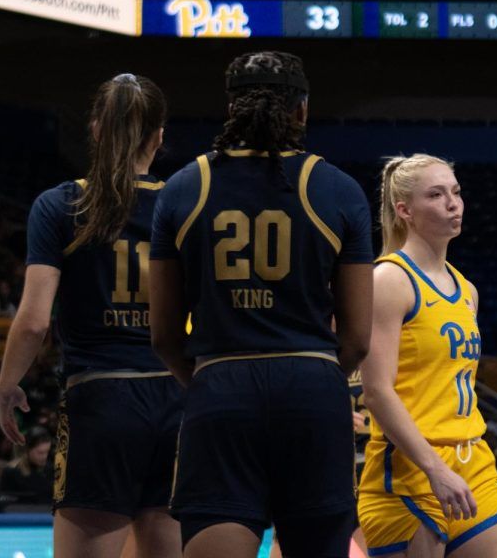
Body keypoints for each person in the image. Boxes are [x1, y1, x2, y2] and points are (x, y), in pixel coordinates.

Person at [150, 51, 373, 558]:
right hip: (312, 388)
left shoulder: (184, 187)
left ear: (231, 109)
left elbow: (163, 335)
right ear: (302, 111)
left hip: (221, 388)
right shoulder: (338, 188)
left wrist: (210, 379)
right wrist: (307, 374)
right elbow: (358, 338)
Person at [0, 74, 181, 557]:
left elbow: (35, 320)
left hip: (101, 400)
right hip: (179, 399)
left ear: (96, 130)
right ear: (159, 137)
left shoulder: (61, 204)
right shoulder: (187, 203)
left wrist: (7, 383)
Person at [357, 154, 497, 558]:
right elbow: (376, 392)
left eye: (456, 192)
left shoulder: (467, 290)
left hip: (473, 462)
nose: (453, 203)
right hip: (410, 470)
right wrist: (435, 468)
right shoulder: (389, 280)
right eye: (436, 194)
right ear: (405, 210)